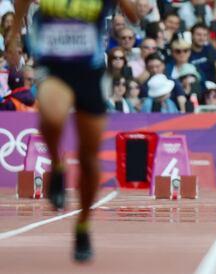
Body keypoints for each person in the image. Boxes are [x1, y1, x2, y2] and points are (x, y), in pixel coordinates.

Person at [7, 0, 139, 262]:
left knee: (89, 158)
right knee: (51, 117)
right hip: (55, 66)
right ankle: (57, 166)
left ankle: (83, 226)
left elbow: (134, 17)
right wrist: (13, 36)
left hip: (89, 73)